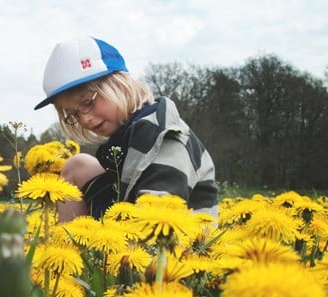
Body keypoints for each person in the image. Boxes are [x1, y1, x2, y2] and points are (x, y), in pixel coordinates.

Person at [34, 36, 219, 222]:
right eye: (74, 114)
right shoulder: (126, 136)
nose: (85, 119)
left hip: (183, 239)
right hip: (132, 215)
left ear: (120, 84)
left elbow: (156, 220)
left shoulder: (163, 135)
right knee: (77, 166)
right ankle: (68, 243)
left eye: (88, 102)